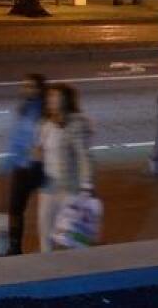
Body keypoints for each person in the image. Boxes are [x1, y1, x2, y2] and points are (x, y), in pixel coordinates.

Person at [36, 83, 95, 252]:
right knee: (45, 227)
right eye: (50, 97)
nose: (51, 100)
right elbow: (41, 148)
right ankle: (48, 264)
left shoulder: (77, 124)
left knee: (73, 232)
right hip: (49, 183)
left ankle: (77, 267)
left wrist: (86, 185)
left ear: (66, 101)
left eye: (56, 97)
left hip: (70, 184)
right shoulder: (45, 123)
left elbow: (84, 156)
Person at [4, 73, 45, 255]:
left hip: (39, 167)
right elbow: (17, 138)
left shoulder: (45, 110)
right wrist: (8, 163)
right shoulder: (23, 108)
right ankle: (14, 247)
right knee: (15, 209)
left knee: (48, 211)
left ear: (39, 88)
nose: (26, 89)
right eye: (24, 85)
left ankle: (53, 245)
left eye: (31, 86)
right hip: (21, 166)